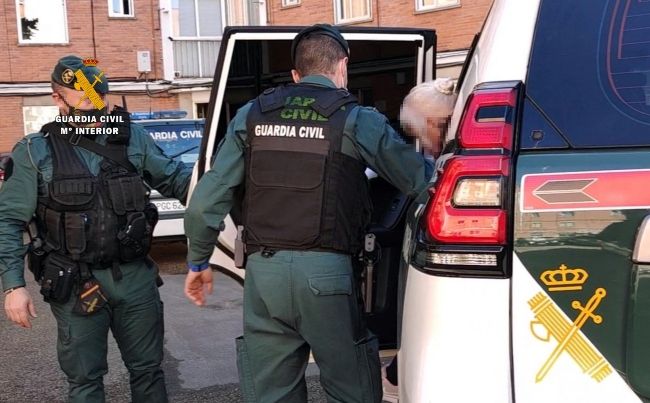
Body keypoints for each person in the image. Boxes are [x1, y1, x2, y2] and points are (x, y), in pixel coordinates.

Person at [183, 24, 433, 403]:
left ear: (295, 74)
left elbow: (205, 202)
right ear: (342, 66)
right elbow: (421, 182)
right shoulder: (357, 119)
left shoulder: (252, 115)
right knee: (351, 389)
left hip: (264, 275)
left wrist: (199, 261)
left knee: (271, 393)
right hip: (327, 274)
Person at [0, 55, 192, 403]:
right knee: (85, 381)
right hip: (75, 282)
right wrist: (14, 286)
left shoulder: (133, 139)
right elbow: (8, 221)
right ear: (57, 99)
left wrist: (221, 183)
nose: (97, 110)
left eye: (100, 99)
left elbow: (178, 180)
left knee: (149, 371)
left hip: (134, 278)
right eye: (86, 102)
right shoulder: (35, 151)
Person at [380, 78, 458, 403]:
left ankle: (395, 377)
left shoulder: (455, 160)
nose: (423, 146)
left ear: (433, 124)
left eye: (419, 135)